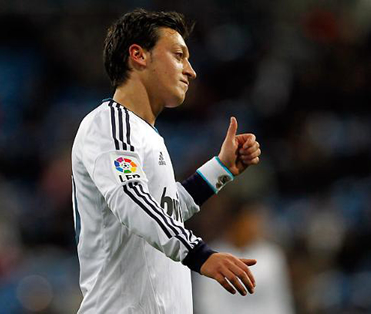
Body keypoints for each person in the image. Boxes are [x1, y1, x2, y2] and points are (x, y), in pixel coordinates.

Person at [71, 9, 261, 313]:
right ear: (138, 55)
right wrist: (200, 255)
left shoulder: (145, 135)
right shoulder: (109, 124)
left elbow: (165, 209)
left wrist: (222, 169)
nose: (191, 70)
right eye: (178, 55)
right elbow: (132, 199)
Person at [194, 201, 295, 314]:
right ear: (234, 222)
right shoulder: (212, 256)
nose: (253, 227)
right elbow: (206, 303)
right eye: (247, 222)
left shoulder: (271, 256)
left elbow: (279, 299)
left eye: (256, 222)